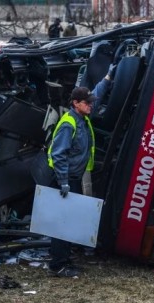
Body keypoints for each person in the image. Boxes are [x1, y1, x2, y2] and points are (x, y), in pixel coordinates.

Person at [46, 87, 96, 277]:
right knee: (62, 223)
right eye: (87, 102)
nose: (90, 105)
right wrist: (63, 181)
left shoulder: (83, 120)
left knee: (69, 222)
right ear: (76, 103)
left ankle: (65, 261)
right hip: (63, 180)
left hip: (73, 178)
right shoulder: (69, 124)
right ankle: (57, 265)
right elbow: (58, 154)